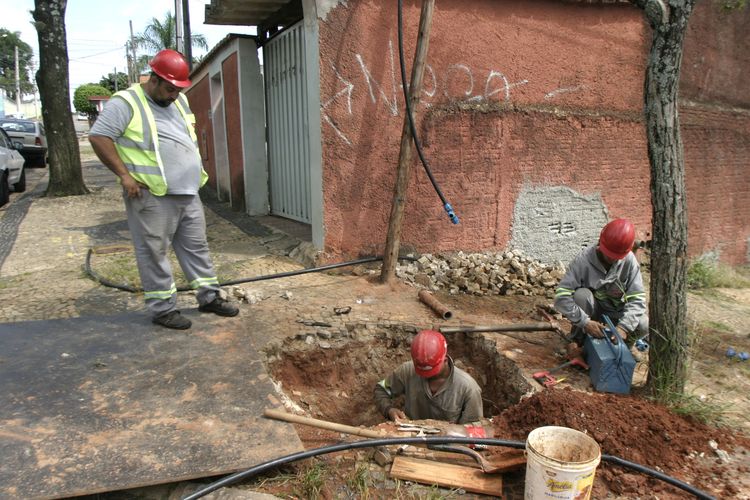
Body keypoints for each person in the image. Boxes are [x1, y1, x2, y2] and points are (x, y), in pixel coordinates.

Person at [89, 49, 238, 330]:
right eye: (170, 89)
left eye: (178, 90)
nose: (174, 95)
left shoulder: (178, 103)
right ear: (154, 80)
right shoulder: (127, 103)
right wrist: (124, 175)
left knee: (197, 248)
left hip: (188, 192)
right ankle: (163, 308)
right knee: (154, 251)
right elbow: (99, 136)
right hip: (152, 195)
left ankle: (209, 297)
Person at [554, 218, 648, 351]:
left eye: (617, 256)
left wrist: (623, 327)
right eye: (609, 254)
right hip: (592, 314)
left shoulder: (629, 261)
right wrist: (585, 322)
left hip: (615, 314)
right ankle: (577, 341)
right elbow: (561, 296)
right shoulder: (583, 261)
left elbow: (637, 299)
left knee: (644, 324)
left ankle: (622, 349)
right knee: (581, 296)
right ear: (600, 242)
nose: (612, 259)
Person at [374, 330, 483, 424]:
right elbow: (381, 389)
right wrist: (389, 410)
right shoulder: (407, 371)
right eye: (421, 371)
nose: (425, 376)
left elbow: (473, 431)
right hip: (409, 441)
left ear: (444, 360)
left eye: (430, 371)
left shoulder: (468, 389)